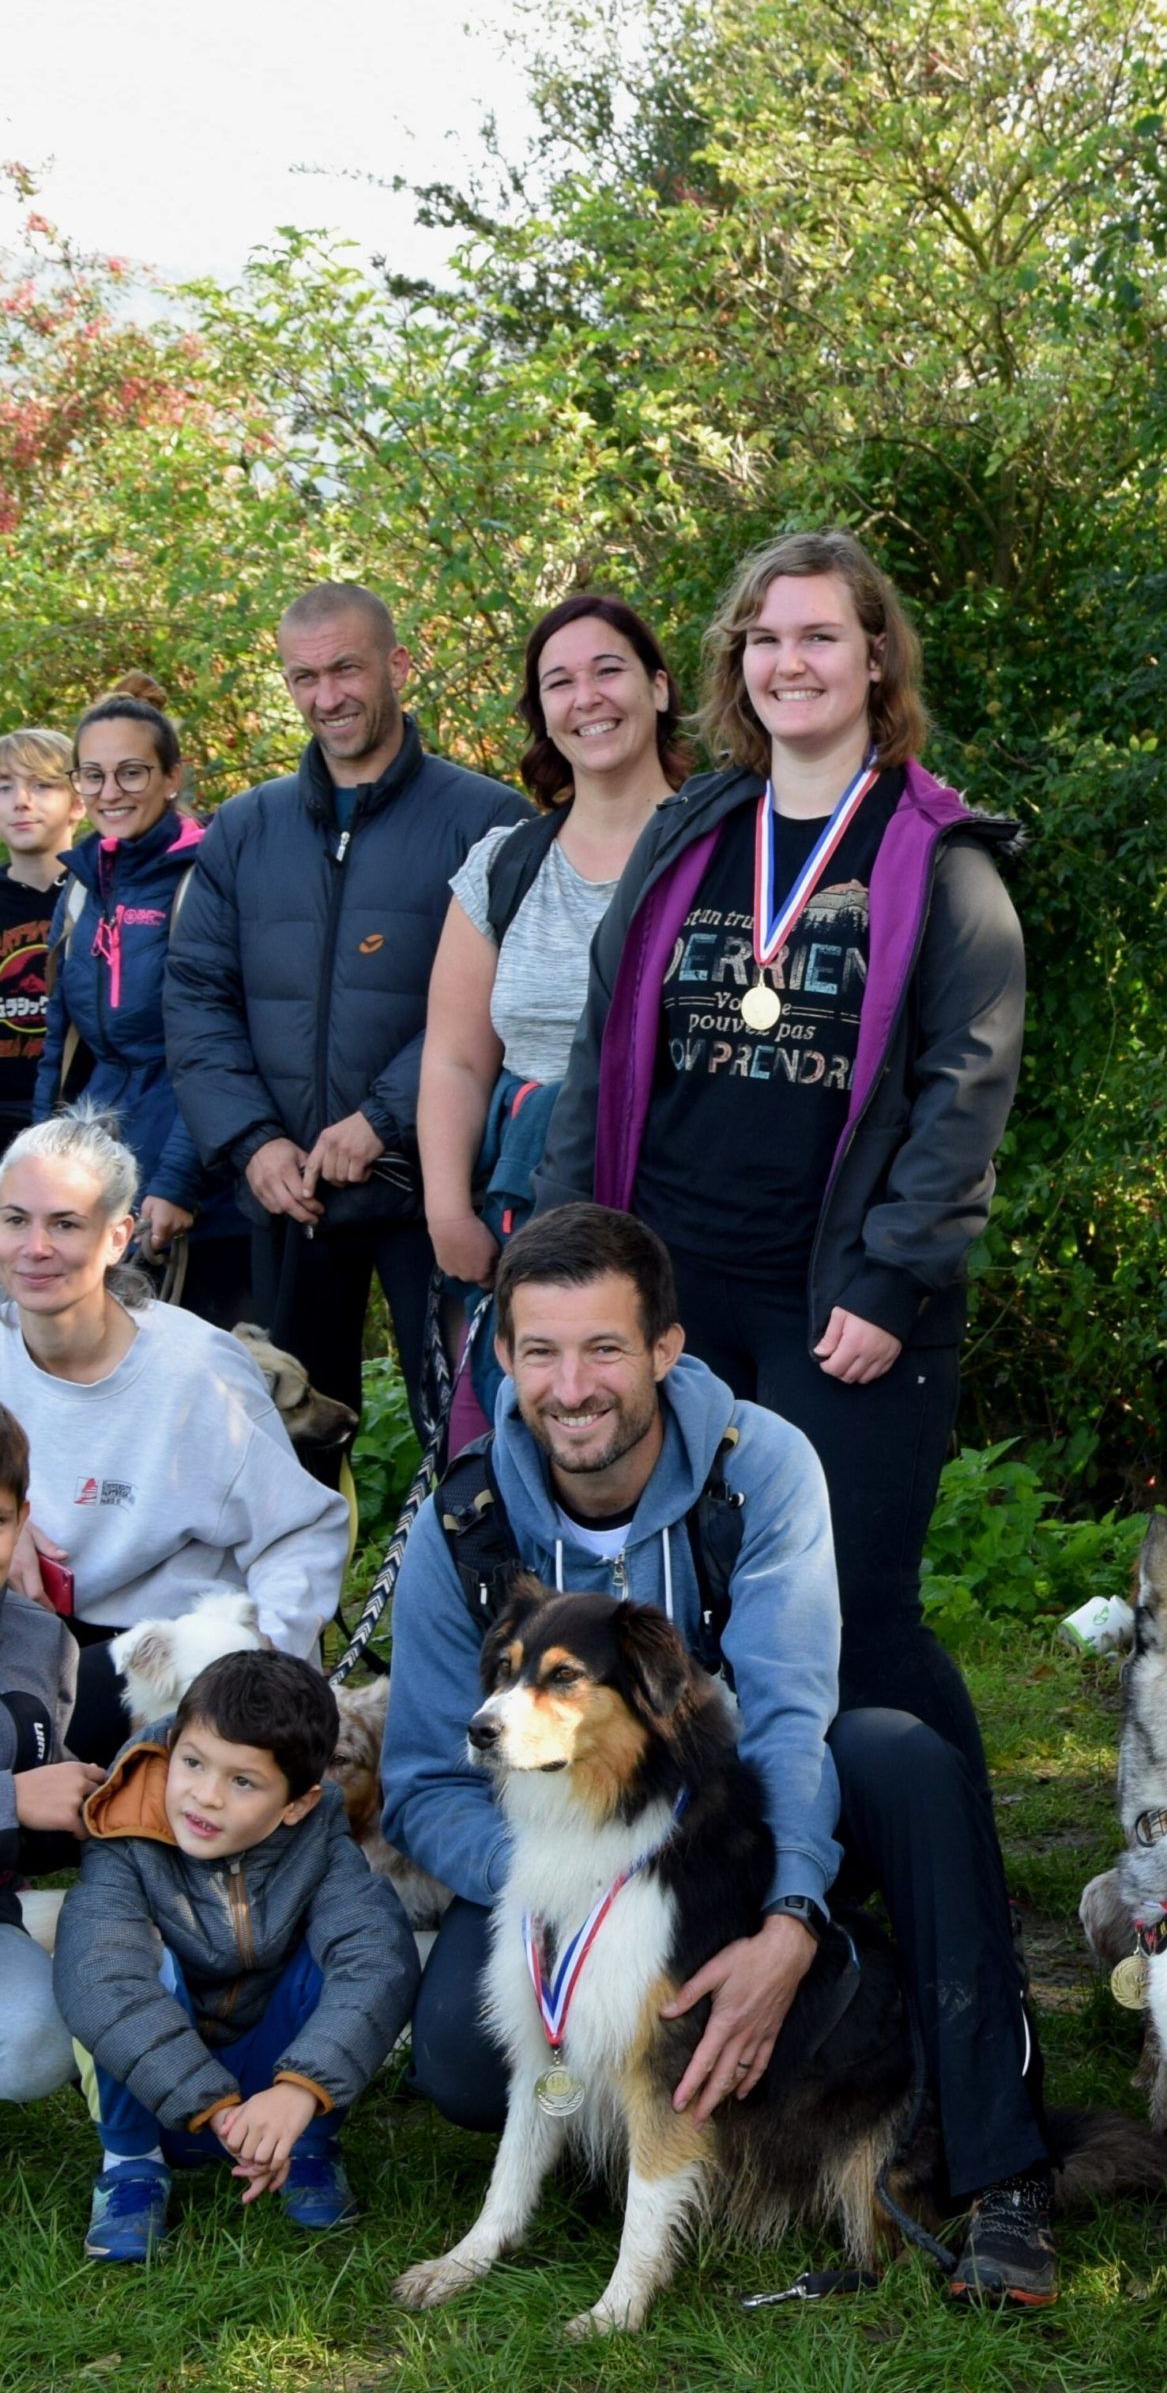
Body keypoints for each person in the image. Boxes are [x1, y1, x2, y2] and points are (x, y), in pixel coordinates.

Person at [383, 1203, 1062, 2302]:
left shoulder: (761, 1467)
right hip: (557, 1858)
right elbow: (420, 1782)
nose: (572, 1386)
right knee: (462, 2065)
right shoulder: (464, 1523)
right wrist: (583, 1898)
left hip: (744, 1838)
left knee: (902, 1755)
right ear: (501, 1355)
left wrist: (792, 1916)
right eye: (541, 1351)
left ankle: (1003, 2170)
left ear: (664, 1347)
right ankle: (649, 2130)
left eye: (605, 1346)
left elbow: (795, 1719)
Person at [537, 531, 1024, 1770]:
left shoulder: (941, 859)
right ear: (734, 662)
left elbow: (964, 1090)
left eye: (818, 636)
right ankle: (789, 1892)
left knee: (854, 1623)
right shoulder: (694, 833)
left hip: (838, 1308)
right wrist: (558, 1252)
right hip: (670, 1293)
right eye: (764, 638)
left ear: (875, 658)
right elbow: (603, 1045)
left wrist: (891, 1279)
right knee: (695, 1618)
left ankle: (958, 1921)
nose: (788, 662)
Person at [163, 582, 530, 1423]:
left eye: (347, 669)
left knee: (469, 1425)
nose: (327, 697)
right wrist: (253, 1145)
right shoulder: (244, 829)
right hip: (288, 1196)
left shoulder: (488, 820)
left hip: (430, 1184)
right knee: (288, 1439)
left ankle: (457, 1559)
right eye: (304, 677)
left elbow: (502, 997)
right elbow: (195, 999)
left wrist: (385, 1119)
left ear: (397, 665)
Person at [419, 594, 688, 1448]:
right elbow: (456, 1057)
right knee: (538, 1433)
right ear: (543, 715)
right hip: (526, 1202)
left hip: (680, 1190)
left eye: (608, 670)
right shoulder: (506, 863)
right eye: (560, 683)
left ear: (658, 687)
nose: (588, 698)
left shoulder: (727, 848)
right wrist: (445, 1210)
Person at [0, 1111, 351, 1761]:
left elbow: (301, 1532)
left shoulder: (196, 1370)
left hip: (162, 1648)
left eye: (65, 1223)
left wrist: (266, 1664)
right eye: (15, 1219)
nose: (34, 1247)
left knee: (24, 1739)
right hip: (23, 1633)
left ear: (117, 1237)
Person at [53, 1647, 419, 2261]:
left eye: (242, 1781)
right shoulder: (124, 1822)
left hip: (276, 2085)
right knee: (117, 1964)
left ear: (299, 1801)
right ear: (173, 1745)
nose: (205, 1797)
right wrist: (214, 2107)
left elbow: (375, 1959)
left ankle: (308, 2145)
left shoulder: (319, 1832)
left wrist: (300, 2091)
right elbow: (100, 1979)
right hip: (160, 2091)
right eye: (192, 1763)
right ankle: (131, 2168)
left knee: (361, 1943)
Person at [33, 690, 250, 1325]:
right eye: (92, 775)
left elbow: (221, 1041)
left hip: (201, 1179)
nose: (110, 792)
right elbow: (60, 1044)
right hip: (104, 1159)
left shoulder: (203, 877)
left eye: (131, 772)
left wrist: (179, 1180)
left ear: (172, 777)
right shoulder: (81, 884)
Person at [0, 1400, 93, 2105]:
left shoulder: (40, 1639)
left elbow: (36, 1808)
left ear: (23, 1521)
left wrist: (86, 1813)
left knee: (37, 2042)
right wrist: (10, 1802)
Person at [0, 726, 79, 1160]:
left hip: (77, 1120)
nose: (21, 801)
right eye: (4, 786)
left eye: (42, 785)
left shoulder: (101, 896)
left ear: (78, 802)